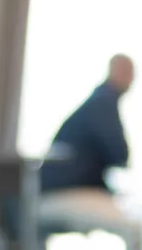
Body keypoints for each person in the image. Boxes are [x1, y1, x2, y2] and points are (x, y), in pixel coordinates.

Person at [40, 54, 135, 194]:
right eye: (130, 73)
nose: (132, 79)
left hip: (62, 183)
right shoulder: (103, 103)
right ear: (118, 71)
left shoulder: (99, 99)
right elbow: (119, 154)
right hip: (68, 186)